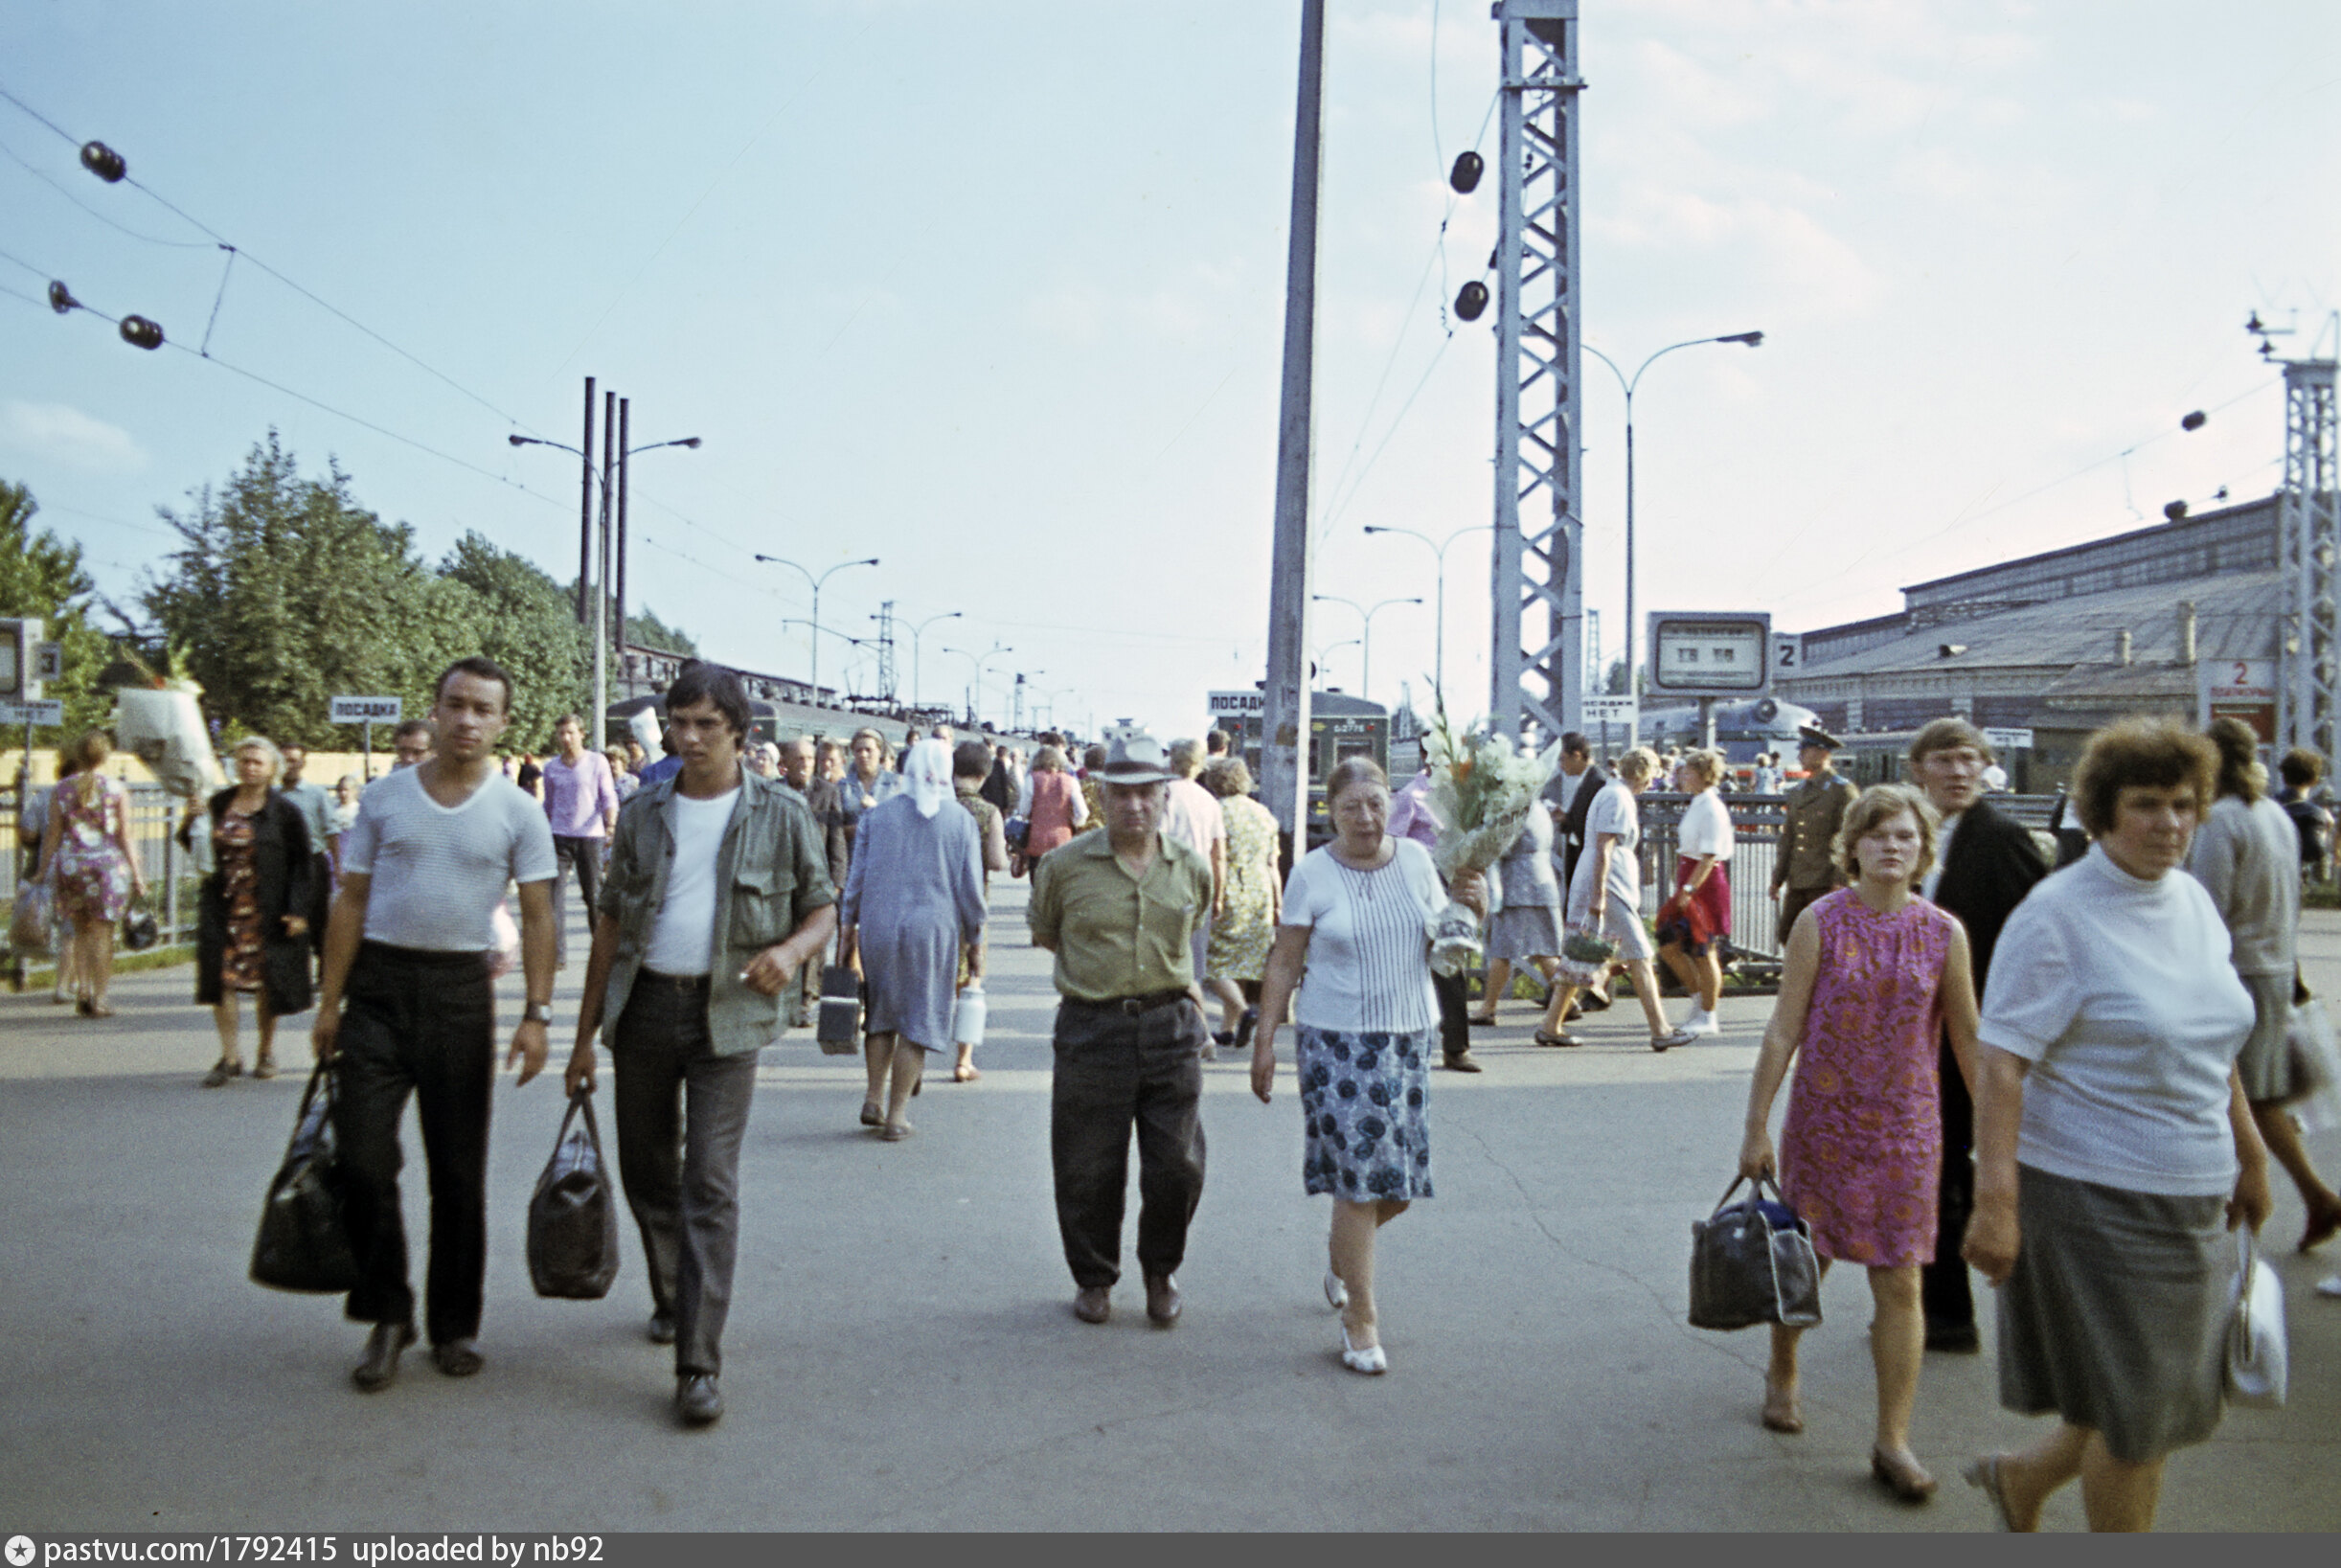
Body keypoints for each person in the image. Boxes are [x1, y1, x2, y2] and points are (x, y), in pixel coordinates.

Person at [1959, 717, 2272, 1534]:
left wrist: (2251, 1150)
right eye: (2145, 805)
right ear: (2100, 813)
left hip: (2193, 1194)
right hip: (2096, 1196)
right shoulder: (2058, 914)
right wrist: (1995, 1203)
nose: (2168, 823)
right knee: (2139, 1420)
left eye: (2182, 804)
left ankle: (2023, 1480)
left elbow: (2214, 1040)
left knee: (2150, 1398)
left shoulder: (2192, 901)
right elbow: (2001, 1062)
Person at [565, 664, 837, 1428]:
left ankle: (697, 1362)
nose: (686, 738)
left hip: (728, 1018)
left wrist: (790, 952)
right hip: (646, 1007)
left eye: (704, 725)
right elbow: (611, 926)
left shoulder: (780, 812)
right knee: (648, 1168)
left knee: (709, 1181)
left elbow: (822, 907)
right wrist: (583, 1037)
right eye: (678, 722)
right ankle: (669, 1288)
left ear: (739, 734)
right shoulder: (647, 810)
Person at [313, 656, 558, 1393]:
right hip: (379, 991)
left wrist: (537, 1014)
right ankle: (389, 1311)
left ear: (503, 722)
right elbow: (350, 900)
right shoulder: (386, 799)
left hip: (460, 992)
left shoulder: (519, 810)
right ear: (436, 707)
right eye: (456, 704)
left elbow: (542, 914)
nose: (467, 720)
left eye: (484, 709)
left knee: (457, 1171)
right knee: (361, 1159)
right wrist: (329, 1003)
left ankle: (454, 1323)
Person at [1738, 784, 1983, 1502]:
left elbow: (1967, 1037)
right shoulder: (1820, 921)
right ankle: (1783, 1368)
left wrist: (2000, 1134)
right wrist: (1756, 1124)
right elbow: (1783, 1027)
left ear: (1923, 848)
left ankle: (1893, 1439)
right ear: (1854, 847)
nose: (1891, 846)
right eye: (1877, 835)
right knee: (1805, 1260)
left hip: (1908, 1131)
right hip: (1825, 1121)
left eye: (1905, 835)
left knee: (1901, 1277)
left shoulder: (1944, 932)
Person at [1252, 758, 1486, 1375]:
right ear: (1332, 810)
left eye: (1376, 803)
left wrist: (1474, 907)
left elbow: (1447, 942)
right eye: (1352, 805)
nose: (1365, 817)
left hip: (1407, 1039)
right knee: (1359, 1183)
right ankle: (1361, 1319)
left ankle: (1342, 1260)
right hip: (1337, 1044)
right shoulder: (1310, 874)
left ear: (1394, 806)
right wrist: (1264, 1040)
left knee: (1398, 1189)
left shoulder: (1414, 861)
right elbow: (1283, 962)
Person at [1028, 730, 1215, 1328]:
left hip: (1170, 1029)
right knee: (1088, 1165)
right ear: (1101, 796)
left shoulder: (1189, 868)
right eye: (1122, 794)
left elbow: (1192, 930)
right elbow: (1048, 932)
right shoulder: (1062, 866)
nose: (1135, 806)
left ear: (1165, 795)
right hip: (1092, 1029)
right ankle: (1093, 1277)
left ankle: (1161, 1272)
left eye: (1147, 793)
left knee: (1177, 1166)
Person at [1908, 717, 2048, 1353]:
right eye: (1945, 760)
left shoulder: (2001, 837)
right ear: (1920, 770)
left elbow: (2040, 937)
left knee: (1946, 1167)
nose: (1959, 772)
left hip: (1982, 1032)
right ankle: (1923, 1305)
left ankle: (1947, 1315)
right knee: (1931, 1165)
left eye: (1970, 760)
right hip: (1923, 1033)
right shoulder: (1919, 834)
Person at [2192, 718, 2341, 1250]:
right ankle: (2307, 1196)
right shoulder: (2273, 813)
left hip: (2238, 973)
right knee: (2257, 1094)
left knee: (2242, 1095)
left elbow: (2205, 908)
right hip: (2275, 966)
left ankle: (2287, 1198)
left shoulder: (2220, 821)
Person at [840, 740, 987, 1140]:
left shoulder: (879, 816)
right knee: (918, 1020)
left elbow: (856, 880)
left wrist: (846, 928)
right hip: (933, 930)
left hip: (878, 926)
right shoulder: (960, 821)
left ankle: (872, 1096)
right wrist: (976, 938)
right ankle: (897, 1115)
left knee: (882, 1012)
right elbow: (970, 889)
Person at [188, 738, 316, 1086]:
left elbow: (303, 864)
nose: (250, 767)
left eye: (258, 762)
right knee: (222, 978)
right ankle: (230, 1057)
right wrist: (190, 820)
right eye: (244, 760)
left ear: (272, 768)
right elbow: (196, 845)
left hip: (268, 908)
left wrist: (297, 910)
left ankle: (265, 1051)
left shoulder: (285, 812)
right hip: (224, 905)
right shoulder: (219, 803)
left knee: (265, 983)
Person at [1544, 748, 1692, 1050]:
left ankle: (1550, 1025)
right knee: (1639, 953)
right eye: (1651, 776)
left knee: (1581, 953)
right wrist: (1598, 896)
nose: (1651, 784)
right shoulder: (1618, 797)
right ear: (1640, 773)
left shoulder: (1611, 792)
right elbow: (1605, 847)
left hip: (1604, 880)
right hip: (1609, 884)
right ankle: (1660, 1030)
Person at [34, 730, 146, 1018]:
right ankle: (101, 997)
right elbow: (126, 835)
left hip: (71, 866)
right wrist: (138, 875)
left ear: (78, 754)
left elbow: (53, 835)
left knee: (80, 930)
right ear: (105, 756)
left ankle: (82, 991)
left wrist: (41, 871)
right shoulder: (116, 789)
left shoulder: (61, 789)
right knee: (102, 934)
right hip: (106, 867)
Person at [1387, 762, 1479, 1071]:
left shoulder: (1461, 797)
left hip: (1449, 886)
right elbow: (1391, 842)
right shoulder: (1410, 797)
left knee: (1450, 961)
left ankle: (1456, 1047)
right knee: (1403, 963)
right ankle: (1393, 1041)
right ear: (1429, 758)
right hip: (1413, 886)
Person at [1469, 795, 1566, 1038]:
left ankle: (1488, 1007)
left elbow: (1500, 845)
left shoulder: (1515, 809)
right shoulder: (1540, 807)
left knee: (1502, 949)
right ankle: (1568, 999)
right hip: (1541, 881)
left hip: (1517, 885)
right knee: (1544, 950)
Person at [1199, 758, 1280, 1053]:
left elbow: (1214, 856)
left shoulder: (1216, 812)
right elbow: (1273, 863)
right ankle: (1228, 1030)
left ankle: (1243, 1012)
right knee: (1242, 961)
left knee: (1212, 961)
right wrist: (1277, 904)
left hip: (1229, 885)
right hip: (1259, 889)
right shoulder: (1264, 814)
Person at [1656, 749, 1734, 1038]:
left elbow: (1710, 854)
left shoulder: (1711, 806)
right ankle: (1699, 1001)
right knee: (1670, 943)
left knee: (1704, 950)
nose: (1681, 776)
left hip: (1703, 883)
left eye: (1687, 771)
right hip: (1690, 876)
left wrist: (1689, 890)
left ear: (1702, 775)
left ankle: (1709, 1014)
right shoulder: (1698, 803)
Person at [540, 714, 621, 971]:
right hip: (559, 836)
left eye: (571, 732)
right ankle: (556, 955)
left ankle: (602, 953)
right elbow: (548, 805)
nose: (565, 738)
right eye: (561, 733)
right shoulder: (552, 767)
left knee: (594, 896)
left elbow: (608, 797)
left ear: (581, 734)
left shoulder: (597, 762)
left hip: (590, 836)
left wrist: (610, 824)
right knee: (554, 898)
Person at [1771, 726, 1853, 946]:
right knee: (1788, 936)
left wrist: (1841, 879)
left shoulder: (1841, 791)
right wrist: (1777, 878)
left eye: (1805, 750)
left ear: (1822, 753)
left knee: (1822, 940)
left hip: (1824, 880)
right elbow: (1789, 838)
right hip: (1799, 879)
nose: (1799, 755)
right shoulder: (1798, 791)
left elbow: (1847, 838)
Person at [1159, 739, 1228, 993]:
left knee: (1167, 956)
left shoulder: (1164, 794)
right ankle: (1195, 1018)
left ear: (1172, 762)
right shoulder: (1210, 801)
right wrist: (1218, 895)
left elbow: (1158, 841)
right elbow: (1218, 854)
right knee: (1196, 964)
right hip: (1202, 885)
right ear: (1200, 765)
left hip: (1168, 882)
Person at [277, 743, 338, 967]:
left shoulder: (316, 794)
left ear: (303, 763)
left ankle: (324, 970)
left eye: (293, 760)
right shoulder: (271, 795)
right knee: (285, 916)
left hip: (312, 862)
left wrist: (338, 868)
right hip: (282, 864)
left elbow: (332, 831)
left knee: (317, 918)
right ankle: (290, 970)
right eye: (284, 761)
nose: (289, 766)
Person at [1016, 745, 1088, 875]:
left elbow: (1023, 810)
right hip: (1063, 840)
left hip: (1037, 840)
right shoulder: (1070, 781)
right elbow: (1083, 812)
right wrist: (1074, 823)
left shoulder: (1032, 778)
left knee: (1037, 884)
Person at [837, 727, 902, 851]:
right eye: (858, 750)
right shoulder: (842, 787)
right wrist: (861, 828)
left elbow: (904, 827)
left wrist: (877, 810)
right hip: (853, 861)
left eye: (868, 750)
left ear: (880, 752)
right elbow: (835, 832)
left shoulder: (897, 784)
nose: (863, 755)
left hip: (887, 857)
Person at [2277, 747, 2333, 882]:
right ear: (2314, 780)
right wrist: (2326, 829)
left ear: (2284, 777)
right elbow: (2315, 852)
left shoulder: (2269, 805)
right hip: (2291, 879)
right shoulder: (2313, 813)